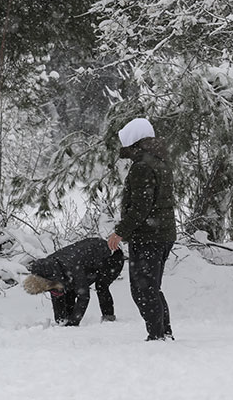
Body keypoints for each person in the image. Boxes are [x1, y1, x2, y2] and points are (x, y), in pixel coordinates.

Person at [107, 117, 177, 341]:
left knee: (142, 289)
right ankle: (163, 332)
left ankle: (157, 336)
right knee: (151, 287)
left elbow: (141, 206)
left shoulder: (142, 167)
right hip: (162, 234)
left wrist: (120, 232)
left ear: (134, 139)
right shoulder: (160, 161)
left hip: (149, 236)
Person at [22, 237, 125, 326]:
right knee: (68, 289)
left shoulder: (71, 267)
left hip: (112, 257)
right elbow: (56, 294)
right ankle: (68, 317)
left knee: (101, 286)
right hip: (90, 261)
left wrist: (73, 323)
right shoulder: (48, 271)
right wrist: (61, 319)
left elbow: (84, 296)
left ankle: (109, 318)